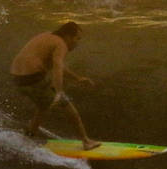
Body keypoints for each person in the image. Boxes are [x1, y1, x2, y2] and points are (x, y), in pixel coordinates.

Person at [10, 21, 101, 150]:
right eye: (77, 38)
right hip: (32, 78)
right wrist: (59, 92)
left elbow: (57, 65)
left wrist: (77, 78)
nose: (77, 43)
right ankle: (86, 142)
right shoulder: (61, 44)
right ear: (68, 36)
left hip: (17, 78)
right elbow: (57, 66)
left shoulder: (47, 36)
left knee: (43, 105)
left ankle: (29, 135)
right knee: (66, 104)